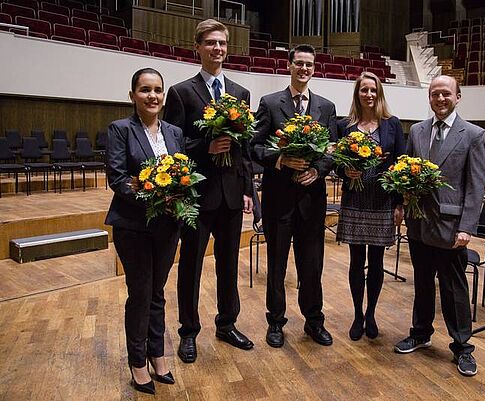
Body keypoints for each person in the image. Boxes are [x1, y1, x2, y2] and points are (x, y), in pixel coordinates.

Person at [163, 19, 254, 363]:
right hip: (197, 196)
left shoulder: (241, 93)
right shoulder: (181, 92)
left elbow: (243, 148)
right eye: (211, 43)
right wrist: (206, 146)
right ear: (198, 47)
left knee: (229, 264)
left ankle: (227, 323)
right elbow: (175, 146)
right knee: (191, 265)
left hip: (231, 194)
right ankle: (188, 331)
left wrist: (248, 190)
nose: (218, 48)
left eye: (222, 43)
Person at [393, 75, 485, 377]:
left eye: (445, 94)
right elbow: (408, 173)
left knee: (454, 289)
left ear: (457, 97)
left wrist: (467, 227)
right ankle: (420, 333)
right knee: (422, 284)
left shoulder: (473, 134)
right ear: (429, 98)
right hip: (419, 223)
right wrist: (403, 203)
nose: (440, 99)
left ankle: (462, 346)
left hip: (451, 227)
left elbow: (475, 185)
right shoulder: (418, 131)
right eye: (434, 94)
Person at [251, 44, 339, 348]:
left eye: (309, 65)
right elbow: (255, 146)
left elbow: (332, 149)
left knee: (312, 266)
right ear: (288, 65)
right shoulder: (271, 103)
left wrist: (318, 171)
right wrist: (279, 160)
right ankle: (275, 322)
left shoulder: (326, 107)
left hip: (312, 202)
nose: (304, 69)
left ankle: (314, 322)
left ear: (315, 69)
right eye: (299, 63)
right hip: (279, 200)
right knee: (277, 265)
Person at [105, 68, 182, 394]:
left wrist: (179, 195)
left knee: (158, 292)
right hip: (133, 225)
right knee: (141, 293)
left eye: (158, 90)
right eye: (145, 90)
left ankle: (157, 354)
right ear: (133, 95)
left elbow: (183, 174)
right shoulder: (120, 129)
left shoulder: (175, 132)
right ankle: (137, 361)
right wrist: (155, 199)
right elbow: (118, 177)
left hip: (167, 226)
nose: (153, 96)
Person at [336, 72, 406, 341]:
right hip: (355, 199)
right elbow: (337, 162)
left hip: (382, 200)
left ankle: (372, 314)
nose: (369, 94)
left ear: (379, 94)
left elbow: (400, 163)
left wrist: (399, 203)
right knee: (356, 261)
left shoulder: (392, 124)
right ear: (357, 94)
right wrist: (345, 172)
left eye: (373, 90)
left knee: (376, 261)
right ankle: (356, 314)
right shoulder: (346, 125)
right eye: (364, 90)